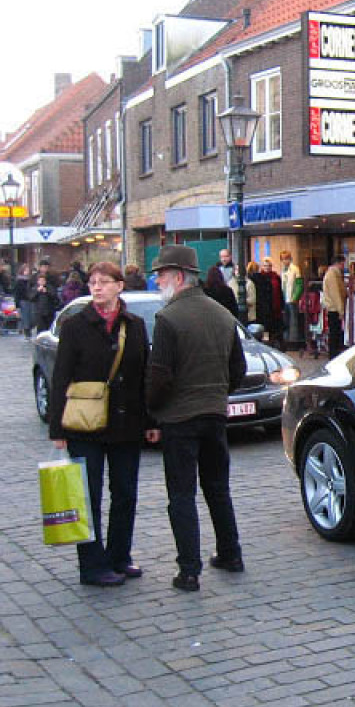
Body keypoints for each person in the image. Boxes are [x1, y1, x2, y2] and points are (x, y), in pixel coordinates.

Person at [47, 261, 156, 587]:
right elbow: (61, 377)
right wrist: (57, 428)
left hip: (126, 425)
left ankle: (120, 557)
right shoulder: (75, 326)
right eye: (93, 282)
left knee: (125, 493)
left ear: (119, 286)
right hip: (85, 426)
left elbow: (143, 376)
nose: (97, 287)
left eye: (104, 282)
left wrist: (151, 421)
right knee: (88, 496)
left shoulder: (134, 325)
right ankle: (92, 565)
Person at [145, 245, 247, 592]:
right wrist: (217, 393)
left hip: (179, 418)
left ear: (177, 277)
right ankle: (231, 553)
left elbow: (159, 376)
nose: (157, 281)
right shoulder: (222, 314)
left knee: (182, 494)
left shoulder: (168, 318)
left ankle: (189, 570)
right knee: (218, 489)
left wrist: (154, 413)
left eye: (160, 275)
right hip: (215, 414)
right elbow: (239, 370)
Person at [323, 254, 347, 356]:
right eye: (343, 264)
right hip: (334, 309)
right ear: (339, 263)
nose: (343, 266)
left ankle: (334, 353)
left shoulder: (333, 274)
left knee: (335, 333)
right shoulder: (333, 275)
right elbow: (335, 293)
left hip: (333, 308)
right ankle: (333, 354)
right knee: (334, 333)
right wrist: (341, 310)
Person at [279, 251, 304, 348]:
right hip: (284, 298)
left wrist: (295, 297)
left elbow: (299, 284)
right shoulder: (283, 270)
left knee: (293, 321)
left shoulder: (295, 269)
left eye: (287, 258)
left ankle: (293, 341)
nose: (285, 261)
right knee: (285, 321)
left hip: (292, 299)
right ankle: (286, 340)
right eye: (283, 259)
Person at [260, 258, 285, 343]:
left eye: (269, 266)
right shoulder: (260, 277)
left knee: (276, 327)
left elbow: (280, 291)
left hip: (276, 306)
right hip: (265, 307)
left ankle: (275, 342)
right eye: (265, 266)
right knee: (266, 327)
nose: (267, 267)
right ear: (262, 267)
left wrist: (282, 305)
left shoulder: (276, 277)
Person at [14, 263, 34, 339]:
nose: (27, 272)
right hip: (23, 300)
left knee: (32, 317)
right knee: (26, 317)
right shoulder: (19, 281)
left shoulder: (31, 280)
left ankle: (26, 328)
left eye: (28, 270)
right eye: (25, 270)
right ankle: (27, 332)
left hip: (31, 300)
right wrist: (17, 305)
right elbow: (17, 293)